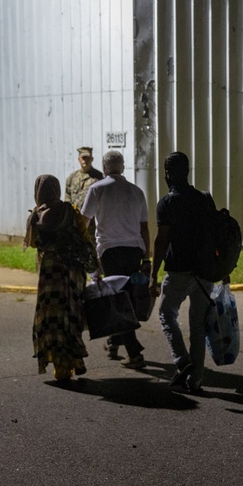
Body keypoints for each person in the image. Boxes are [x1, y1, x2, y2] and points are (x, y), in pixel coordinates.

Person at [149, 152, 217, 393]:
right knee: (198, 326)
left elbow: (160, 241)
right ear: (188, 171)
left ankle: (182, 360)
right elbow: (215, 235)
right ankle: (195, 380)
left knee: (167, 313)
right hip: (204, 272)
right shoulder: (205, 199)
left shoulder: (167, 203)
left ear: (168, 174)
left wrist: (152, 274)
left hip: (178, 270)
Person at [80, 150, 151, 369]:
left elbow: (83, 222)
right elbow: (144, 228)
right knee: (126, 297)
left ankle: (135, 352)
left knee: (117, 299)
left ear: (104, 167)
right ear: (122, 166)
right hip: (134, 251)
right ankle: (113, 342)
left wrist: (88, 251)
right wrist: (146, 257)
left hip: (110, 251)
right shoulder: (136, 191)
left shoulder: (96, 189)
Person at [24, 174, 97, 382]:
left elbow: (33, 243)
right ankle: (74, 360)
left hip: (50, 272)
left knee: (52, 317)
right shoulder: (70, 211)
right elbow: (85, 237)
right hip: (73, 271)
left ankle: (59, 363)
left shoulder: (36, 215)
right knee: (71, 313)